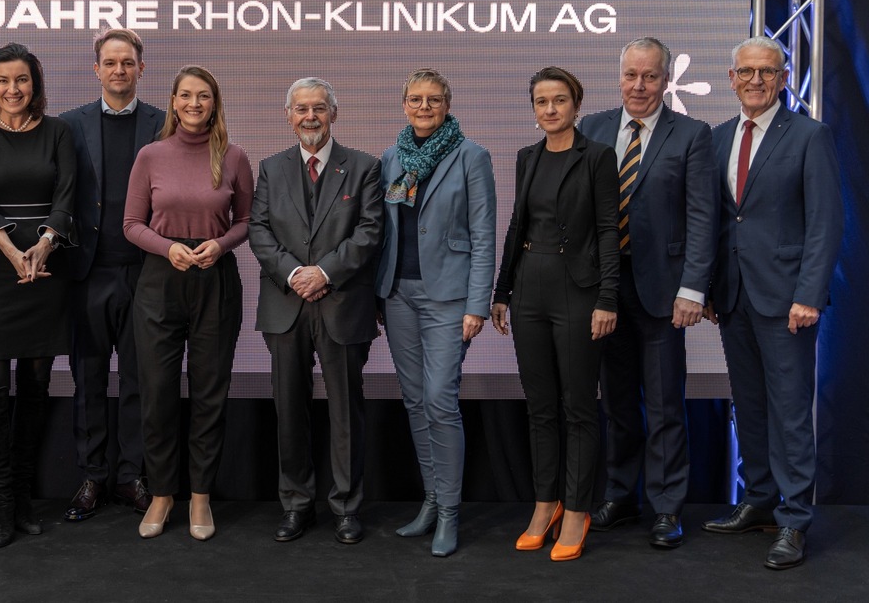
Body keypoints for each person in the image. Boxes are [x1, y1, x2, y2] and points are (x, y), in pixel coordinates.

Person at [702, 37, 842, 570]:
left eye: (768, 72)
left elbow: (825, 223)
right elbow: (717, 222)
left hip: (787, 301)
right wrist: (713, 287)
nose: (756, 80)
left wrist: (809, 295)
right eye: (746, 72)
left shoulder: (810, 135)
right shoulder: (717, 139)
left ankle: (794, 520)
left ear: (784, 78)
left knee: (788, 412)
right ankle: (759, 501)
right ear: (731, 77)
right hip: (734, 296)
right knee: (751, 406)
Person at [580, 37, 717, 549]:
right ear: (619, 77)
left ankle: (665, 507)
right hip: (604, 291)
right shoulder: (591, 128)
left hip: (664, 292)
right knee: (615, 402)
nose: (640, 86)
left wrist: (693, 289)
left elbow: (703, 218)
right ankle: (619, 494)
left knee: (663, 405)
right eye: (631, 75)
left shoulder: (692, 134)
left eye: (651, 76)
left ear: (665, 80)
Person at [490, 66, 619, 562]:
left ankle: (578, 509)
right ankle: (546, 505)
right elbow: (516, 225)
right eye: (541, 101)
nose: (550, 109)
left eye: (559, 100)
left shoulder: (598, 157)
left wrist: (608, 298)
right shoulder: (527, 157)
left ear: (576, 104)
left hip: (580, 292)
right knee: (540, 406)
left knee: (579, 406)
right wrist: (501, 292)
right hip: (529, 293)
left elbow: (609, 230)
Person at [248, 77, 384, 546]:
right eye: (302, 108)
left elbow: (369, 231)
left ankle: (346, 508)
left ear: (333, 114)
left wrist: (323, 273)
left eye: (319, 108)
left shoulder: (364, 167)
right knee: (290, 410)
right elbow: (259, 230)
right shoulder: (270, 168)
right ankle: (296, 504)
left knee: (347, 411)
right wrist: (293, 274)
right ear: (289, 115)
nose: (310, 116)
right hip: (285, 307)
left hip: (341, 304)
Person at [0, 43, 77, 548]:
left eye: (22, 80)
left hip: (47, 269)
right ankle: (0, 505)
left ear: (35, 84)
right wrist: (11, 250)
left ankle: (23, 498)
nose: (13, 89)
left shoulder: (59, 132)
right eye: (3, 80)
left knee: (36, 383)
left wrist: (44, 245)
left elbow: (66, 196)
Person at [123, 65, 252, 541]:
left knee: (208, 394)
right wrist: (165, 246)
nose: (195, 104)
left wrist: (220, 245)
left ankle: (200, 496)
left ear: (214, 103)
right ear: (173, 102)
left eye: (204, 96)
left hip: (215, 278)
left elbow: (246, 221)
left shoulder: (234, 156)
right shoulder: (151, 155)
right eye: (186, 96)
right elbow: (132, 223)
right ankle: (161, 495)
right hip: (161, 279)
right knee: (156, 392)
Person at [375, 68, 496, 557]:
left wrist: (477, 305)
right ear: (404, 104)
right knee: (415, 402)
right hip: (397, 294)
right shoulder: (390, 158)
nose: (424, 107)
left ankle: (449, 513)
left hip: (448, 298)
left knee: (440, 401)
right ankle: (429, 501)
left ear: (447, 103)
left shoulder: (471, 156)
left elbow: (484, 233)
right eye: (415, 99)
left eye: (433, 99)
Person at [58, 29, 163, 521]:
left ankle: (131, 475)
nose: (119, 70)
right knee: (90, 379)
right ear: (95, 69)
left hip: (147, 272)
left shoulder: (164, 124)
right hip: (88, 271)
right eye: (110, 63)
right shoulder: (69, 125)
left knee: (141, 380)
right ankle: (92, 476)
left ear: (142, 69)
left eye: (128, 62)